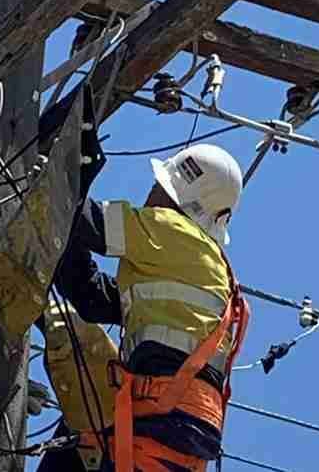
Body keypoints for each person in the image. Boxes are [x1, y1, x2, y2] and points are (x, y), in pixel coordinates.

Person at [38, 144, 250, 472]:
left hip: (162, 416)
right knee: (77, 438)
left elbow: (86, 220)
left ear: (178, 198)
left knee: (77, 444)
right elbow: (93, 297)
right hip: (180, 428)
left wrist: (50, 175)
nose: (151, 192)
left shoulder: (172, 229)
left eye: (160, 186)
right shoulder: (200, 268)